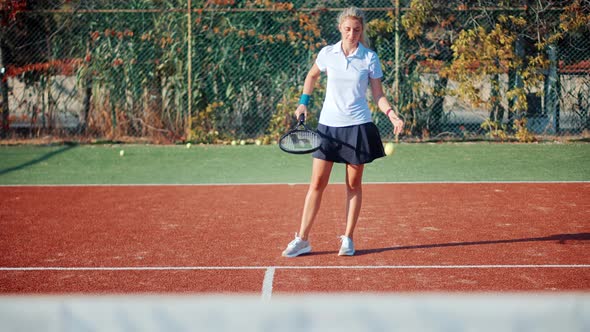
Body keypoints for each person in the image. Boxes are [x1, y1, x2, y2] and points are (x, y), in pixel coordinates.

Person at [282, 7, 404, 257]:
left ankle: (348, 238)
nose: (352, 34)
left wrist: (392, 114)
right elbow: (312, 75)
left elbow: (378, 95)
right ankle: (303, 239)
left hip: (358, 127)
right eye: (348, 29)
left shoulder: (369, 57)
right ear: (340, 28)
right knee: (316, 183)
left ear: (362, 31)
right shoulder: (328, 53)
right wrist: (303, 101)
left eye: (357, 30)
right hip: (327, 128)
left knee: (353, 185)